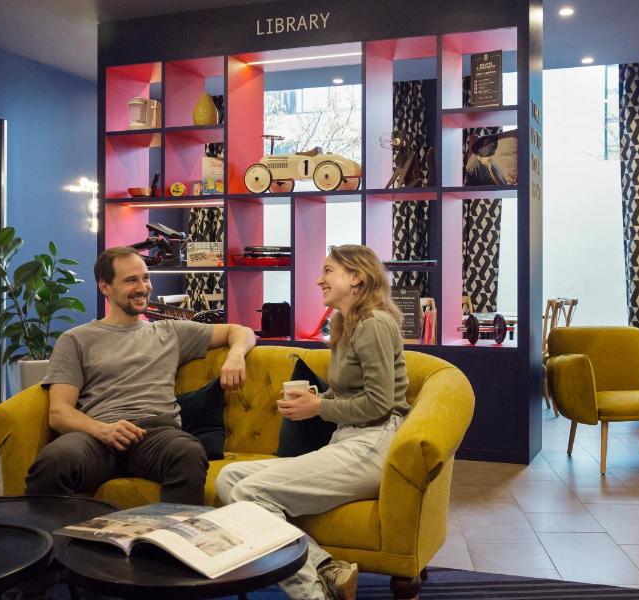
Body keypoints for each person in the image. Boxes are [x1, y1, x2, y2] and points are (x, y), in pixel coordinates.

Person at [216, 245, 409, 600]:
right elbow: (349, 391)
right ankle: (324, 567)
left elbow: (380, 404)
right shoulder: (344, 323)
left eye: (328, 271)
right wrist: (315, 401)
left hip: (375, 441)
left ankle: (310, 593)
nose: (319, 280)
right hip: (351, 438)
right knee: (229, 478)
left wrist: (319, 407)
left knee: (248, 492)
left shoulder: (374, 325)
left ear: (356, 278)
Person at [25, 246, 255, 504]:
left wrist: (235, 356)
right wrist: (102, 430)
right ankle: (56, 532)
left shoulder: (170, 332)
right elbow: (59, 412)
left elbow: (241, 331)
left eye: (145, 278)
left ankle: (168, 532)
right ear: (105, 287)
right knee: (53, 461)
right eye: (131, 280)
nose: (143, 287)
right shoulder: (75, 339)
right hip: (98, 435)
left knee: (189, 454)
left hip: (156, 434)